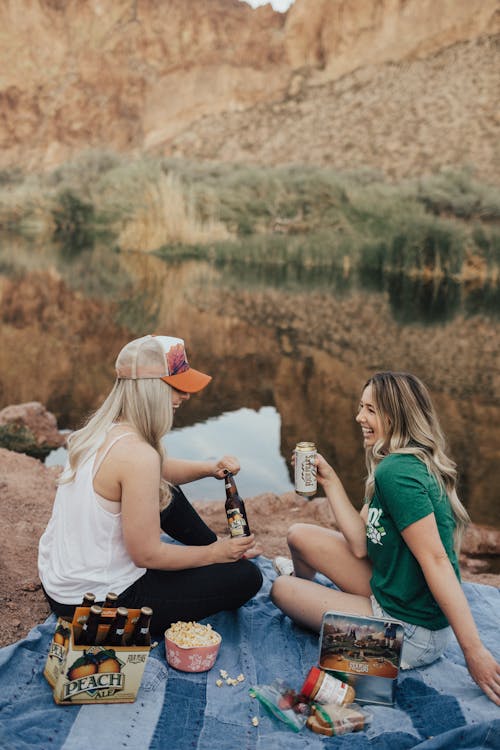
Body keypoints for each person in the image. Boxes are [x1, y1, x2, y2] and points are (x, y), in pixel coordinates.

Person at [271, 371, 500, 705]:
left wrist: (474, 652)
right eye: (361, 407)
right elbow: (361, 543)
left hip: (412, 631)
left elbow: (436, 560)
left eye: (370, 410)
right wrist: (331, 481)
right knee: (298, 534)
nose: (359, 417)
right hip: (391, 590)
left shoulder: (398, 474)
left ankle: (315, 603)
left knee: (281, 590)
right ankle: (312, 596)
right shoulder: (390, 464)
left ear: (395, 417)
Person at [38, 334, 263, 636]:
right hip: (98, 605)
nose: (185, 397)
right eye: (178, 388)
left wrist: (209, 468)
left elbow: (156, 470)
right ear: (152, 388)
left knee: (164, 489)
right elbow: (146, 556)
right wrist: (215, 555)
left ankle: (218, 552)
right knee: (247, 578)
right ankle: (221, 556)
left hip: (61, 583)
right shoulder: (138, 456)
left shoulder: (100, 431)